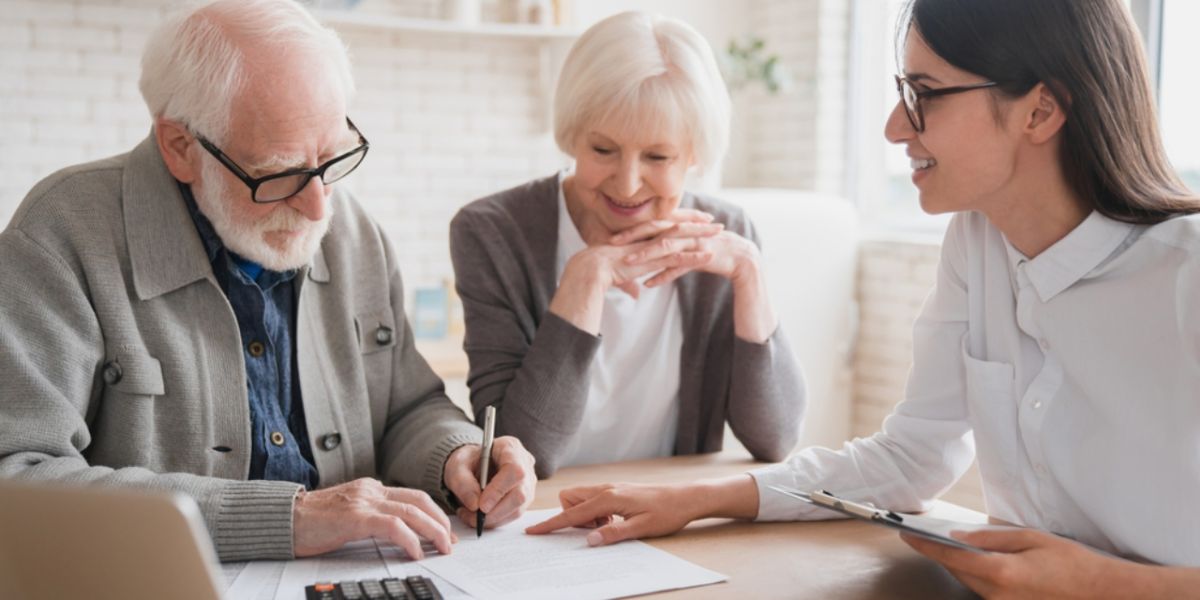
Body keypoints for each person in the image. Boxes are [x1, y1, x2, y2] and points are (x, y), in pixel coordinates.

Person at [526, 0, 1200, 595]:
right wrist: (693, 500)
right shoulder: (979, 242)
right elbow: (912, 458)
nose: (893, 128)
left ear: (1041, 109)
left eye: (924, 93)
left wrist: (1105, 584)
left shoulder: (1187, 274)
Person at [0, 0, 535, 563]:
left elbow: (406, 408)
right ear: (180, 146)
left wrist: (456, 457)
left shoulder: (352, 230)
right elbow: (17, 479)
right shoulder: (61, 236)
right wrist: (290, 519)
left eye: (331, 159)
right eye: (278, 174)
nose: (317, 206)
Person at [449, 11, 806, 479]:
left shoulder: (723, 234)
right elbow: (523, 452)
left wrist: (751, 275)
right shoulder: (492, 231)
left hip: (665, 517)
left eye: (657, 156)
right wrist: (584, 278)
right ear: (573, 134)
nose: (628, 182)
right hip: (539, 518)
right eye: (603, 150)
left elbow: (775, 439)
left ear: (694, 154)